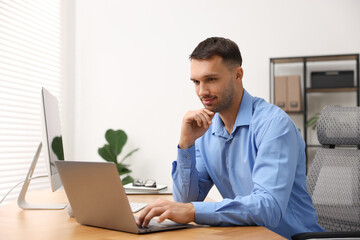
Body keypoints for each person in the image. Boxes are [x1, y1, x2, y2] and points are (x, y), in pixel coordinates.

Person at [136, 37, 325, 239]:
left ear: (238, 75)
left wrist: (192, 211)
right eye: (196, 82)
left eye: (211, 79)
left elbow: (268, 208)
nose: (202, 91)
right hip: (245, 235)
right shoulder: (205, 130)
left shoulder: (274, 125)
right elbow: (186, 201)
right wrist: (186, 145)